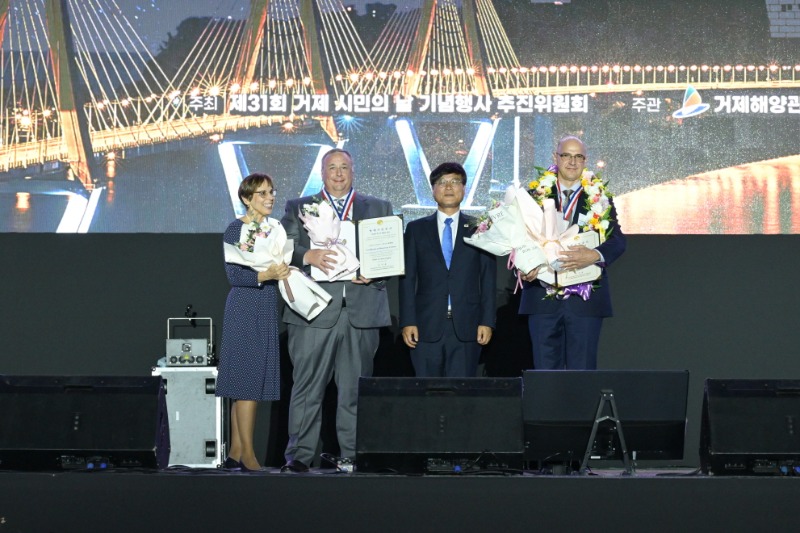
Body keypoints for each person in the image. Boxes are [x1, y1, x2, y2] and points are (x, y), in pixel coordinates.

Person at [280, 148, 393, 473]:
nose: (339, 173)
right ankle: (298, 457)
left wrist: (378, 268)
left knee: (355, 391)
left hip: (361, 312)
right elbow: (282, 247)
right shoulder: (300, 207)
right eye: (333, 167)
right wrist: (307, 256)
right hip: (313, 312)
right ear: (322, 171)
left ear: (353, 170)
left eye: (344, 167)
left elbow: (389, 252)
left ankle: (351, 457)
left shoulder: (378, 207)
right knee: (306, 390)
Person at [518, 135, 626, 370]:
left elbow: (617, 241)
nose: (572, 162)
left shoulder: (600, 198)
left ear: (585, 161)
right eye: (566, 155)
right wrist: (524, 266)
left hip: (585, 300)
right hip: (542, 298)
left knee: (582, 373)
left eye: (578, 156)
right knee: (544, 373)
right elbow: (519, 241)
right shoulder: (533, 196)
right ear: (555, 157)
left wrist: (595, 255)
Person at [216, 173, 290, 471]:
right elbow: (235, 276)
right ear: (247, 198)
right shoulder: (237, 229)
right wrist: (266, 275)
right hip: (245, 305)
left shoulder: (274, 228)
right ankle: (248, 455)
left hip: (265, 304)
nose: (270, 197)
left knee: (251, 381)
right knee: (246, 382)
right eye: (262, 193)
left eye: (271, 192)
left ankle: (236, 452)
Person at [399, 162, 496, 377]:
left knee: (462, 398)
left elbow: (488, 279)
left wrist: (487, 321)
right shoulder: (416, 229)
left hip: (468, 327)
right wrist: (408, 321)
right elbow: (407, 279)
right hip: (426, 327)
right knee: (427, 396)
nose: (449, 187)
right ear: (433, 190)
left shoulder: (480, 229)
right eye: (442, 183)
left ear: (464, 189)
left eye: (455, 182)